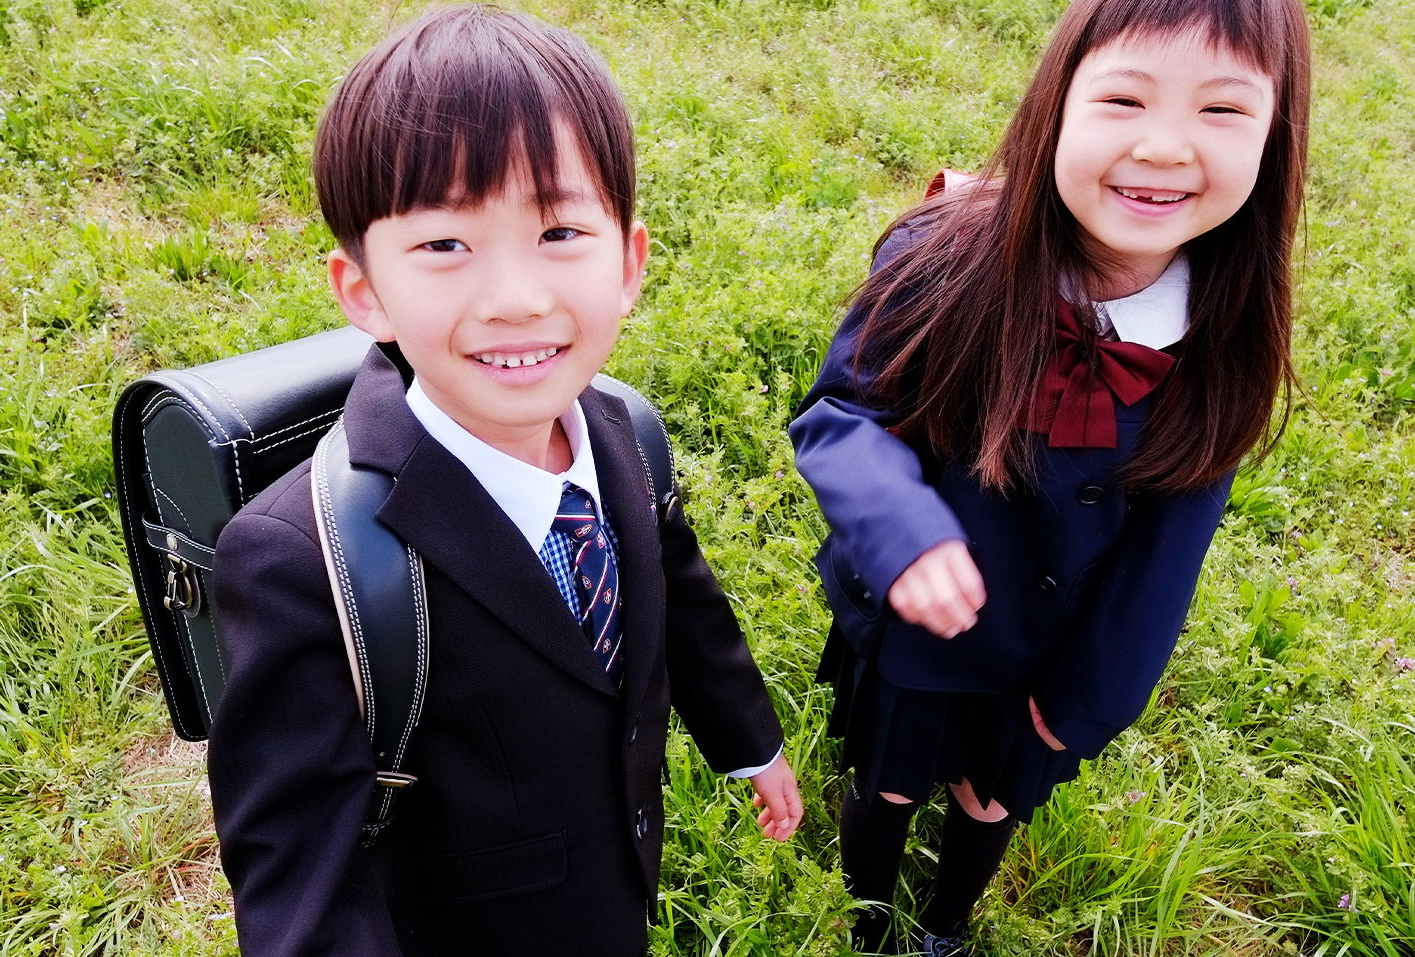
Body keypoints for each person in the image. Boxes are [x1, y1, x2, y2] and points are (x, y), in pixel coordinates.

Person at [205, 7, 803, 955]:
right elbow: (300, 878)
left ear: (631, 263)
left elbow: (680, 597)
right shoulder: (303, 558)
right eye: (446, 245)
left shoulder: (624, 430)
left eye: (561, 230)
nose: (516, 296)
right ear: (365, 291)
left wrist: (750, 742)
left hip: (613, 893)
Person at [790, 0, 1310, 952]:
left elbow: (1169, 553)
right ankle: (867, 922)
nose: (1163, 147)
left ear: (1277, 138)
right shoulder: (943, 256)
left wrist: (1090, 700)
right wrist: (901, 527)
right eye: (1124, 98)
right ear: (1055, 104)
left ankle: (943, 925)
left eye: (1223, 111)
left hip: (1051, 650)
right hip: (920, 622)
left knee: (991, 801)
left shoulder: (1223, 336)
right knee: (890, 780)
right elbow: (843, 417)